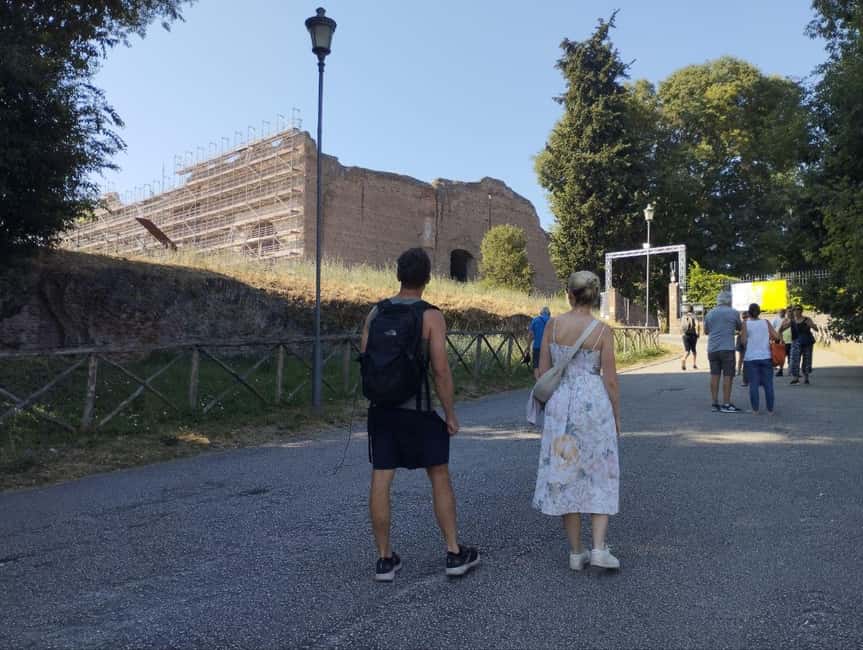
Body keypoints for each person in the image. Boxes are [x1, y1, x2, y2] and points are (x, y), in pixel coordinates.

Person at [360, 248, 479, 582]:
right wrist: (450, 414)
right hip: (419, 411)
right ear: (427, 278)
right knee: (439, 474)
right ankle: (454, 553)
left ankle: (385, 559)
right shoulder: (431, 316)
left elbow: (365, 357)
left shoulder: (376, 312)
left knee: (381, 478)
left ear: (398, 275)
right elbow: (441, 371)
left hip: (382, 411)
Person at [532, 271, 622, 570]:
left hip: (561, 405)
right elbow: (610, 380)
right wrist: (617, 418)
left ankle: (575, 552)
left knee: (565, 471)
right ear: (595, 297)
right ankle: (598, 548)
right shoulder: (602, 331)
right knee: (600, 471)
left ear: (569, 294)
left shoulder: (553, 326)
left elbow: (542, 372)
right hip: (594, 405)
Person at [703, 291, 743, 413]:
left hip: (712, 349)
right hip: (727, 349)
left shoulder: (709, 314)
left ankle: (715, 403)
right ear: (729, 301)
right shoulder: (734, 313)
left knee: (714, 375)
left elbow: (706, 331)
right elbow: (739, 327)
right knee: (728, 376)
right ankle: (726, 403)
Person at [739, 303, 781, 414]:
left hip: (751, 358)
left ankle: (755, 410)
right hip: (766, 356)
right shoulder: (766, 322)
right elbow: (776, 336)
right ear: (759, 312)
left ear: (748, 312)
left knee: (753, 384)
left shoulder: (745, 323)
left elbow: (743, 342)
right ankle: (770, 410)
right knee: (768, 384)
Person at [781, 306, 819, 385]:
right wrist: (780, 336)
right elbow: (781, 329)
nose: (796, 311)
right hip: (796, 342)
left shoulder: (807, 319)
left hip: (807, 342)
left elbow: (816, 329)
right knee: (795, 360)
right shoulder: (792, 321)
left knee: (807, 360)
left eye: (798, 309)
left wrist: (811, 325)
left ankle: (806, 378)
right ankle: (796, 378)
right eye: (794, 310)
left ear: (801, 311)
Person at [527, 307, 552, 379]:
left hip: (537, 346)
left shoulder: (535, 320)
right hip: (548, 348)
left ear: (541, 313)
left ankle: (537, 383)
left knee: (536, 365)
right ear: (549, 314)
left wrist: (528, 346)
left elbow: (531, 335)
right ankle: (546, 382)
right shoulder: (552, 321)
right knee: (548, 365)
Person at [680, 304, 700, 370]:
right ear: (692, 309)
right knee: (694, 350)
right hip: (693, 335)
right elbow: (697, 325)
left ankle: (683, 359)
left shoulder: (683, 316)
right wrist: (698, 333)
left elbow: (682, 327)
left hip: (685, 335)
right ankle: (694, 364)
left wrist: (682, 334)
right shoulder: (694, 316)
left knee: (687, 351)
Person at [771, 308, 790, 376]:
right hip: (778, 338)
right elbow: (772, 328)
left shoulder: (787, 319)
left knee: (788, 355)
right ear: (778, 313)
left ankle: (789, 368)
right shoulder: (775, 319)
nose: (782, 313)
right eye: (780, 312)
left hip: (788, 339)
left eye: (783, 312)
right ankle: (778, 367)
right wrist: (773, 337)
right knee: (779, 355)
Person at [736, 312, 750, 386]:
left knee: (744, 358)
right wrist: (739, 332)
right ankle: (738, 370)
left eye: (746, 317)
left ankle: (741, 372)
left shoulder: (748, 324)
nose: (745, 318)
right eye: (744, 317)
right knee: (741, 357)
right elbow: (736, 331)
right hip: (740, 341)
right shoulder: (741, 323)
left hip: (745, 341)